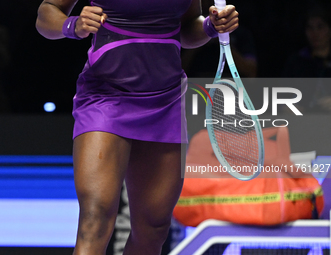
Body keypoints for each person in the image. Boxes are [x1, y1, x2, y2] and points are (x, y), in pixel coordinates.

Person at [36, 1, 239, 254]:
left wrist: (210, 26)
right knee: (95, 218)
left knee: (154, 228)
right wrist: (73, 25)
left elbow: (186, 28)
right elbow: (46, 14)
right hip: (107, 96)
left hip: (165, 99)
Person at [282, 5, 331, 113]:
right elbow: (282, 97)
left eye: (320, 27)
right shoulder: (296, 62)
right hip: (304, 122)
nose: (315, 33)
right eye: (310, 28)